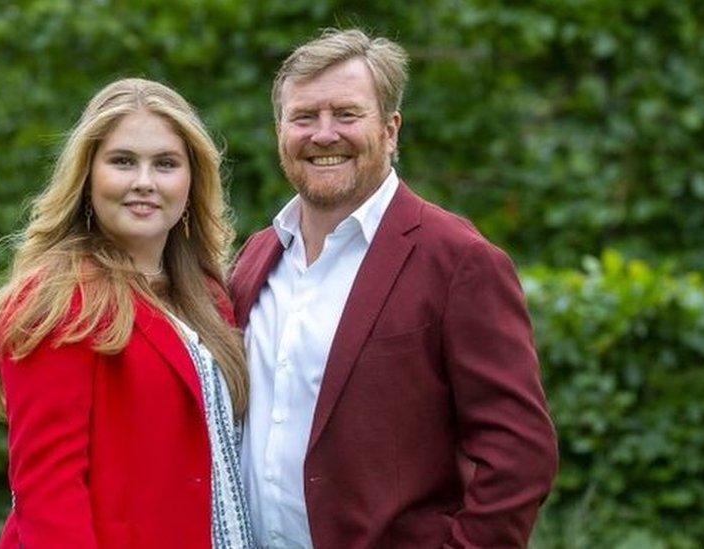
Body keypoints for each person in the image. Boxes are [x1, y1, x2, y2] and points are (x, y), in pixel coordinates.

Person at [230, 29, 559, 548]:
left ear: (390, 129)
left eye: (346, 114)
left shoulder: (458, 260)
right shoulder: (255, 257)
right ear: (279, 131)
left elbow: (519, 454)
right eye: (303, 117)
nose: (323, 134)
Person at [0, 78, 254, 548]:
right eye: (122, 162)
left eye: (165, 163)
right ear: (87, 178)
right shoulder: (58, 301)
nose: (144, 182)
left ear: (191, 181)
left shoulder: (209, 297)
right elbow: (48, 497)